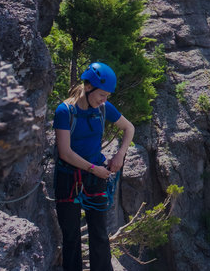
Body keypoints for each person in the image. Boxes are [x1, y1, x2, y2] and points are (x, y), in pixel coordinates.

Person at [53, 62, 135, 271]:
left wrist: (120, 155)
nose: (104, 101)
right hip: (69, 177)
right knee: (70, 236)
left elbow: (129, 128)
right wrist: (93, 168)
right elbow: (65, 152)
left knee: (99, 234)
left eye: (107, 96)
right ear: (88, 88)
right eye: (102, 95)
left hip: (95, 177)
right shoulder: (65, 111)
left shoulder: (103, 108)